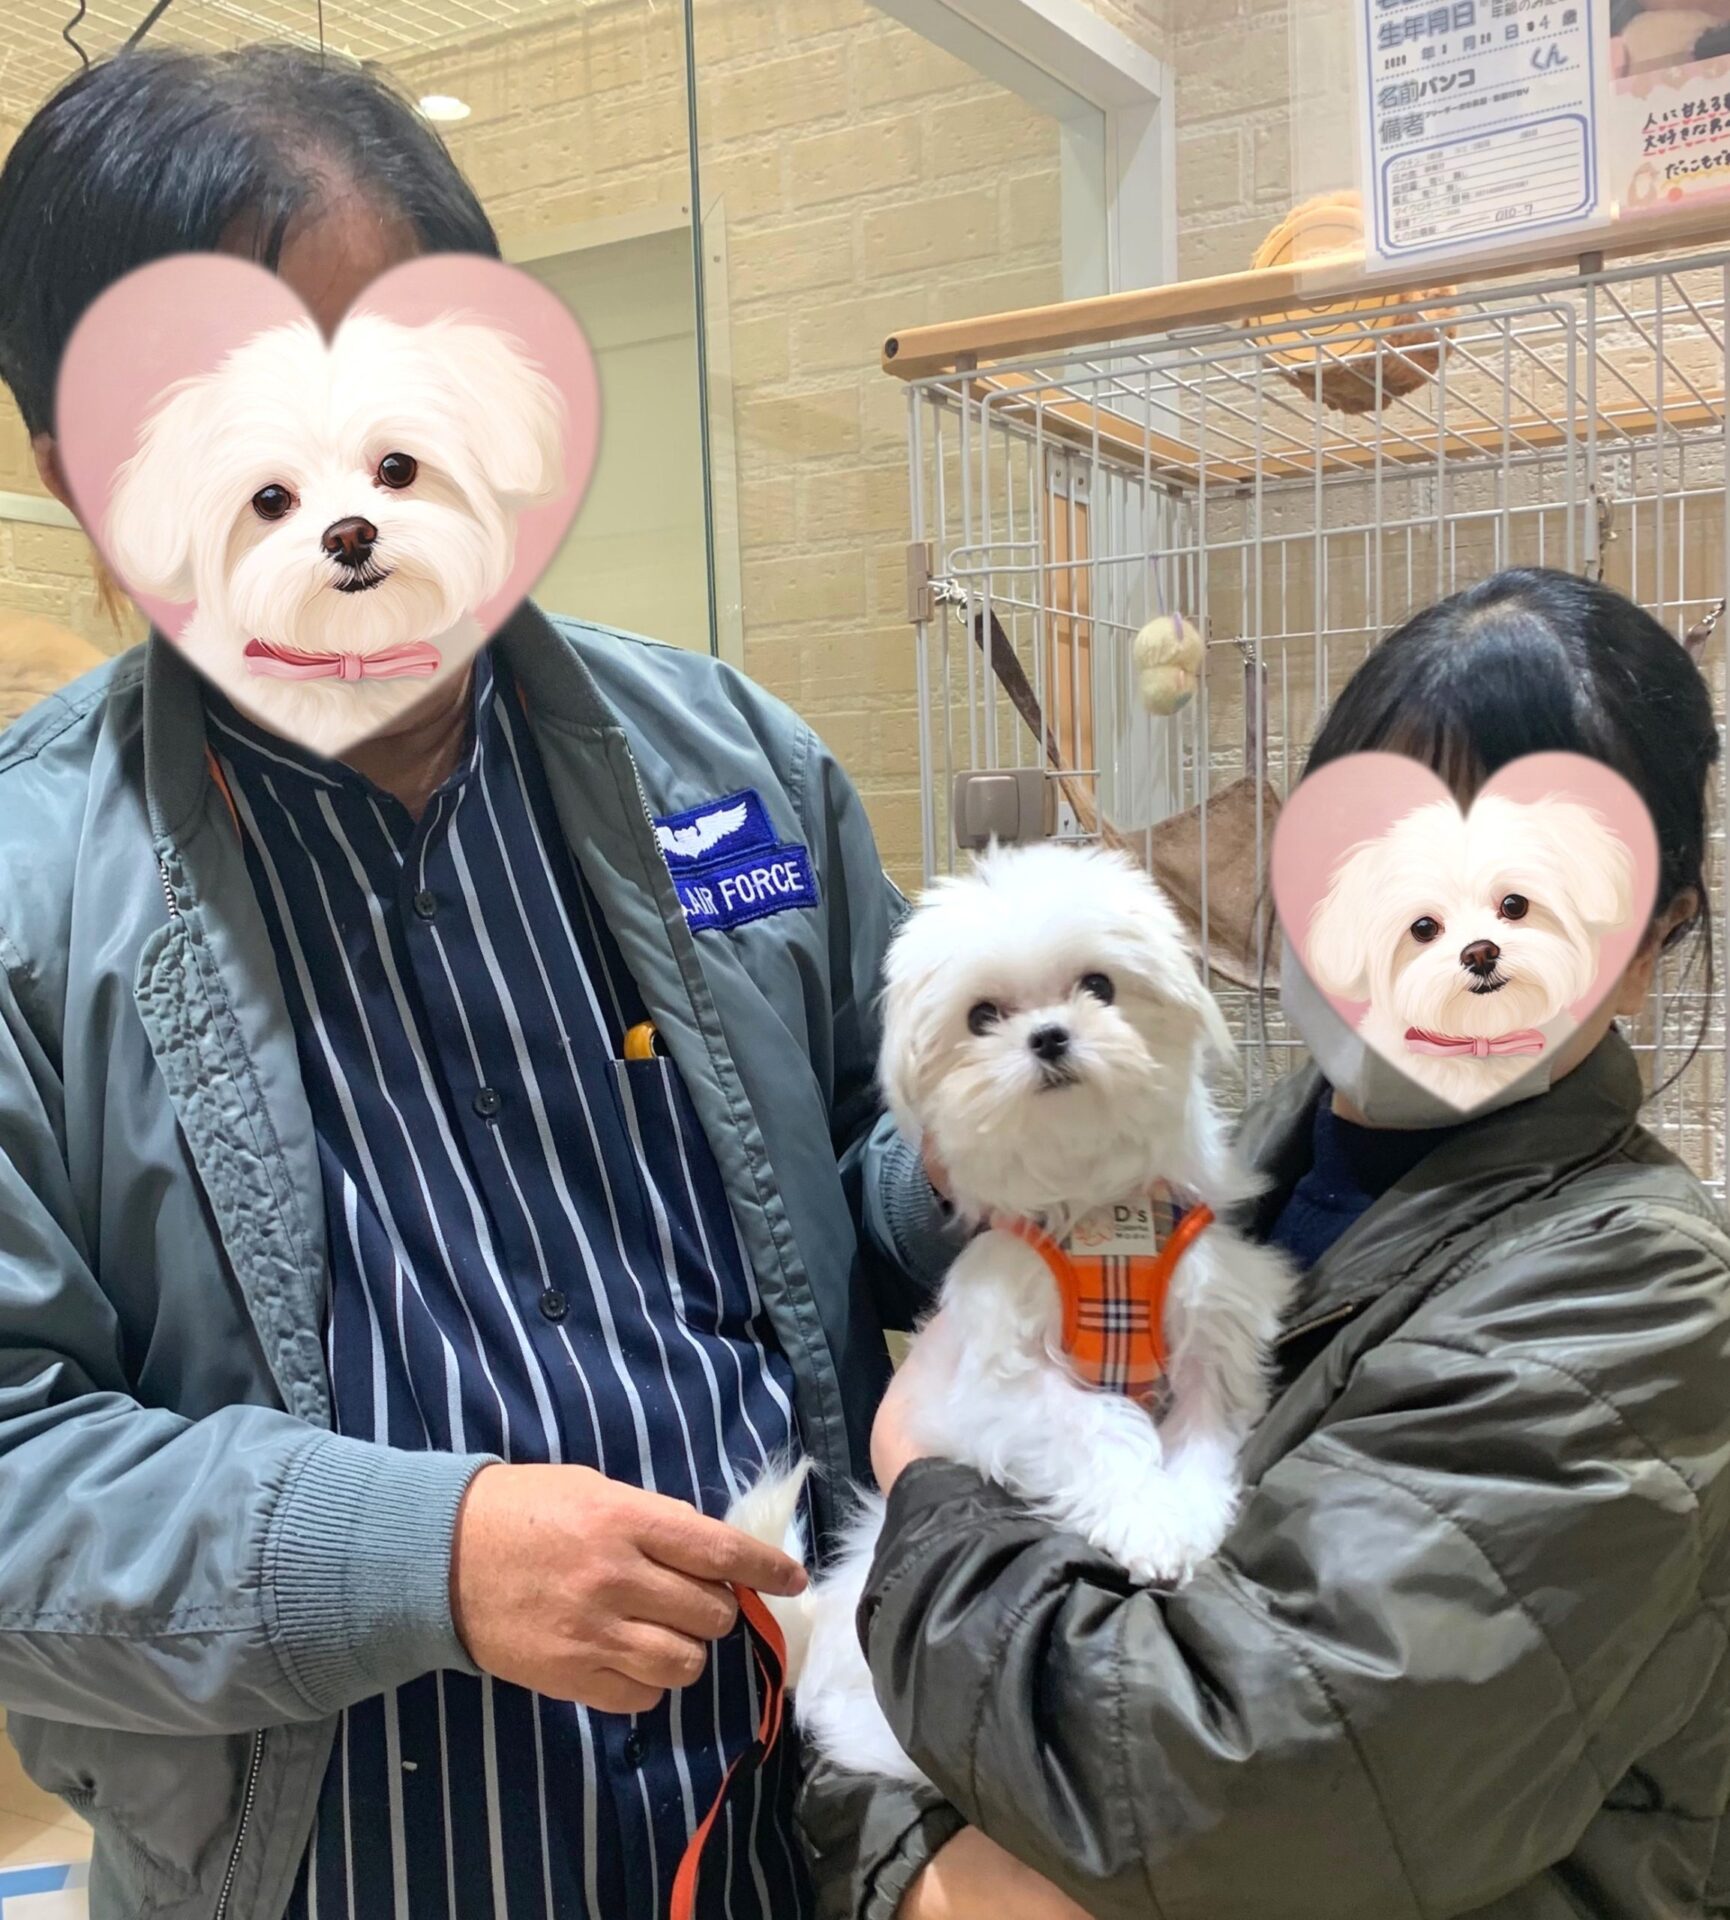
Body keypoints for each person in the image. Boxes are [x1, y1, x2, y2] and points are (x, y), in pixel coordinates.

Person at [0, 46, 952, 1920]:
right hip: (343, 1869)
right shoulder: (30, 895)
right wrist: (424, 1556)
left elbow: (875, 1155)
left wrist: (1005, 1163)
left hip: (815, 1829)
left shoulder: (730, 768)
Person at [803, 568, 1730, 1920]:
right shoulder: (1248, 1172)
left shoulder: (1637, 1304)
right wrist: (913, 1858)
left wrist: (926, 1489)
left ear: (1653, 936)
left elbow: (1235, 1787)